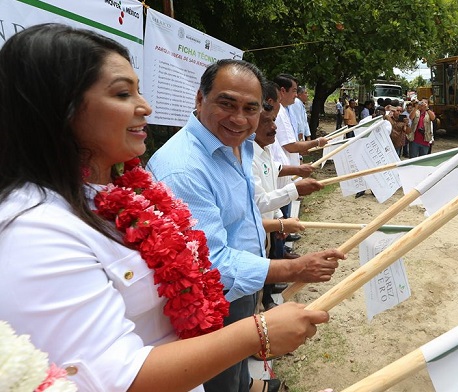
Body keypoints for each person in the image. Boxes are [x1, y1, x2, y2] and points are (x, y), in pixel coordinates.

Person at [0, 23, 339, 392]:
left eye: (251, 109)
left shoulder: (113, 191)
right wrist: (256, 331)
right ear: (58, 106)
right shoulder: (36, 230)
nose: (145, 107)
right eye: (122, 93)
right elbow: (112, 378)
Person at [148, 60, 343, 391]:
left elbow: (244, 211)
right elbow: (211, 263)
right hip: (213, 299)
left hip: (243, 285)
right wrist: (293, 268)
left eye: (250, 109)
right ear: (199, 99)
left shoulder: (235, 145)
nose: (239, 118)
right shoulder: (183, 170)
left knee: (237, 366)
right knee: (218, 380)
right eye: (227, 104)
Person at [252, 81, 324, 311]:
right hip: (259, 228)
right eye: (267, 122)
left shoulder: (262, 151)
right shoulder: (247, 158)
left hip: (268, 225)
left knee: (270, 260)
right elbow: (260, 200)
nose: (274, 128)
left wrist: (300, 171)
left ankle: (265, 300)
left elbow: (274, 169)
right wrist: (296, 189)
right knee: (260, 273)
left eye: (274, 121)